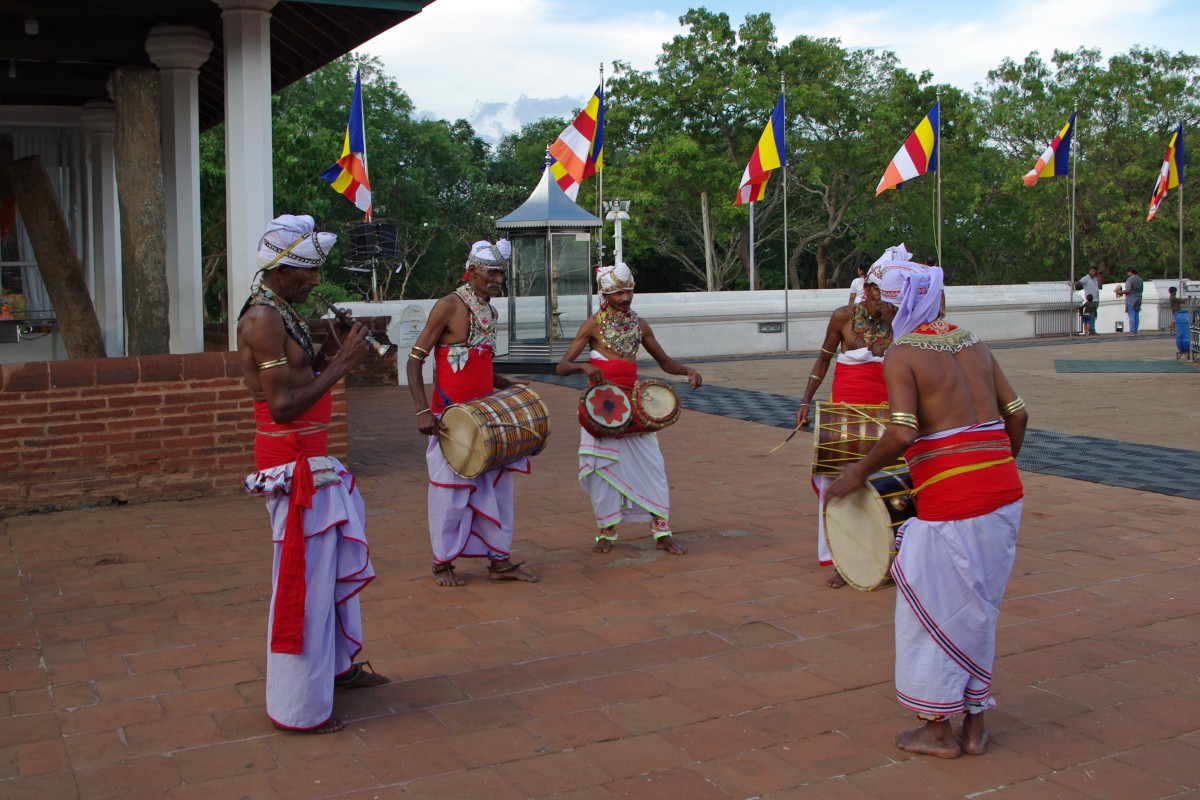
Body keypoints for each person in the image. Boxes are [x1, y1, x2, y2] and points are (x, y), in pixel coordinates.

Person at [826, 262, 1027, 760]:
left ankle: (937, 730)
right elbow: (1018, 414)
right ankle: (976, 727)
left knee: (930, 612)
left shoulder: (904, 353)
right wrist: (995, 466)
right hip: (1004, 494)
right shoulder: (973, 342)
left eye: (887, 302)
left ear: (903, 302)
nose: (883, 311)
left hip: (953, 502)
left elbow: (901, 433)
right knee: (979, 608)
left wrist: (854, 475)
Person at [237, 214, 389, 735]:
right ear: (279, 272)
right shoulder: (261, 320)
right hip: (291, 461)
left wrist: (332, 346)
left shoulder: (285, 311)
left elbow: (305, 375)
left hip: (312, 458)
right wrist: (342, 363)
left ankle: (339, 670)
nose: (315, 282)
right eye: (307, 273)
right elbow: (280, 405)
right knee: (303, 578)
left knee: (327, 568)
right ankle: (297, 705)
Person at [406, 240, 539, 587]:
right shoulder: (448, 306)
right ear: (473, 270)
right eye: (492, 272)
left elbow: (482, 368)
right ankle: (442, 562)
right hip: (451, 420)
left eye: (501, 273)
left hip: (487, 419)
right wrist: (423, 410)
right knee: (450, 496)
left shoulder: (490, 312)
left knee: (498, 492)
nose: (498, 278)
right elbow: (414, 360)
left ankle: (500, 560)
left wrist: (511, 385)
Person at [556, 262, 702, 555]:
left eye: (628, 291)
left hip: (634, 407)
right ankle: (606, 532)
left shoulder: (640, 324)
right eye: (618, 292)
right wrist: (584, 367)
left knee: (653, 466)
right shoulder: (592, 324)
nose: (625, 298)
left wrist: (687, 370)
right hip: (602, 408)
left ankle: (662, 532)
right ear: (605, 295)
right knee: (602, 469)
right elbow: (562, 366)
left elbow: (664, 361)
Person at [797, 244, 902, 587]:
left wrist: (892, 320)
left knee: (888, 487)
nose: (879, 299)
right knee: (841, 486)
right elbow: (824, 360)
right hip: (845, 417)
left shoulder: (901, 320)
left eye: (886, 295)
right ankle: (844, 560)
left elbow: (911, 358)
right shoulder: (842, 317)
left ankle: (890, 559)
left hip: (887, 416)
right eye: (875, 292)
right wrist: (805, 401)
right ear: (866, 289)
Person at [1114, 267, 1144, 335]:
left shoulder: (1130, 279)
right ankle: (1135, 331)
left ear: (1130, 272)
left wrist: (1120, 292)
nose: (1127, 274)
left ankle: (1132, 331)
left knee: (1132, 315)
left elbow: (1128, 290)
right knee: (1136, 315)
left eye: (1128, 272)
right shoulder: (1140, 279)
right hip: (1139, 298)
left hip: (1131, 298)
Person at [1078, 267, 1101, 332]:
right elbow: (1080, 282)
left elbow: (1100, 286)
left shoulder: (1096, 279)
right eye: (1092, 271)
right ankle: (1092, 330)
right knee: (1092, 316)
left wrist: (1099, 276)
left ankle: (1091, 329)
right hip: (1091, 301)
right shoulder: (1085, 278)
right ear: (1089, 271)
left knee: (1093, 316)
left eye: (1094, 272)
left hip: (1096, 299)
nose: (1093, 273)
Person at [1168, 286, 1189, 357]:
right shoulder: (1173, 297)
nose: (1175, 292)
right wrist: (1185, 300)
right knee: (1175, 320)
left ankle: (1171, 328)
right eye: (1175, 291)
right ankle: (1170, 327)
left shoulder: (1172, 297)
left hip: (1175, 310)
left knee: (1175, 320)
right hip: (1176, 310)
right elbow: (1179, 301)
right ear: (1172, 292)